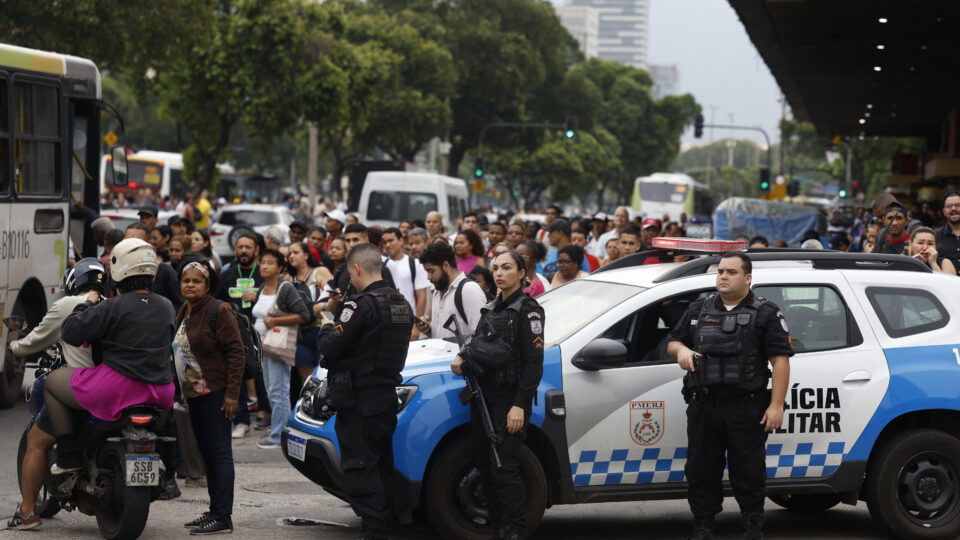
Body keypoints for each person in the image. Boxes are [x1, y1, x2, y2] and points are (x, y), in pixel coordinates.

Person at [666, 252, 793, 540]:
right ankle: (703, 527)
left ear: (748, 278)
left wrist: (776, 406)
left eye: (731, 272)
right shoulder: (699, 308)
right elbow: (673, 341)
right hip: (703, 405)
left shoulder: (766, 312)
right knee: (701, 468)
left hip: (746, 408)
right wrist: (681, 351)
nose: (723, 276)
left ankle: (753, 527)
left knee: (748, 469)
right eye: (721, 271)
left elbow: (780, 361)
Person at [45, 239, 177, 474]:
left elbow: (71, 331)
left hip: (117, 388)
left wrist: (86, 304)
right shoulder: (166, 306)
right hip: (161, 390)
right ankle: (160, 459)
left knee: (52, 382)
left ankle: (68, 456)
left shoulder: (112, 306)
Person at [316, 243, 414, 540]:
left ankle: (375, 530)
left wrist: (327, 325)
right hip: (386, 397)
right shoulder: (401, 303)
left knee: (360, 467)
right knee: (381, 463)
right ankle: (387, 521)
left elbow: (331, 347)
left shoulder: (359, 306)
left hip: (360, 399)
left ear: (356, 269)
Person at [450, 250, 544, 540]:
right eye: (495, 268)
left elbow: (533, 365)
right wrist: (463, 360)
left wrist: (519, 406)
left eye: (506, 267)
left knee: (504, 467)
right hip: (483, 397)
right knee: (485, 465)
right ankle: (497, 525)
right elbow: (478, 348)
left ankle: (514, 529)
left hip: (509, 400)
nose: (499, 273)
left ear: (521, 273)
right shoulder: (490, 309)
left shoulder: (529, 311)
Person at [7, 259, 103, 531]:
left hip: (81, 387)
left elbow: (37, 339)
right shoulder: (114, 305)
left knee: (37, 441)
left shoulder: (67, 305)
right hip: (116, 387)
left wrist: (15, 347)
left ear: (74, 283)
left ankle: (27, 513)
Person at [175, 260, 246, 535]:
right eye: (186, 280)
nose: (190, 285)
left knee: (219, 454)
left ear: (208, 285)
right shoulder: (185, 310)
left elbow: (236, 354)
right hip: (193, 396)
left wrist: (232, 395)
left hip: (216, 394)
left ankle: (223, 516)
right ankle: (214, 510)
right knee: (206, 453)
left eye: (197, 281)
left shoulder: (220, 309)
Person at [250, 249, 310, 449]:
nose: (265, 266)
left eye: (270, 263)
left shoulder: (285, 288)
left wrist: (275, 321)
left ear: (280, 268)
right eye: (263, 262)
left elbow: (303, 315)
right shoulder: (261, 288)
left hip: (278, 346)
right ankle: (279, 430)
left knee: (279, 391)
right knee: (271, 390)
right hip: (263, 347)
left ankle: (279, 436)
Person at [216, 232, 265, 439]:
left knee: (262, 376)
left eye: (248, 247)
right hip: (234, 334)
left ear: (256, 250)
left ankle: (266, 413)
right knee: (238, 376)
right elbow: (217, 301)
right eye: (240, 247)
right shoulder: (227, 274)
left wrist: (258, 295)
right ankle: (241, 420)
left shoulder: (263, 273)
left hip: (260, 333)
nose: (244, 251)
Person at [417, 243, 487, 339]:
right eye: (427, 272)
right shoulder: (437, 292)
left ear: (446, 265)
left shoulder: (469, 290)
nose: (428, 277)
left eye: (431, 271)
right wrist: (429, 330)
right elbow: (442, 335)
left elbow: (481, 336)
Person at [288, 242, 333, 383]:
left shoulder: (320, 271)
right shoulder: (289, 279)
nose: (291, 256)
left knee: (325, 377)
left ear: (306, 255)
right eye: (289, 253)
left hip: (322, 330)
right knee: (307, 380)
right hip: (300, 333)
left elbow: (334, 299)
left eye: (295, 252)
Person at [381, 227, 429, 339]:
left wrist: (416, 327)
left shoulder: (415, 264)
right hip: (387, 323)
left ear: (401, 241)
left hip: (409, 322)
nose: (387, 245)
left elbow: (422, 295)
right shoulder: (381, 264)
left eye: (391, 240)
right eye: (384, 242)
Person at [126, 223, 183, 309]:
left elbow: (180, 305)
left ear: (149, 244)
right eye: (127, 242)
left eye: (137, 242)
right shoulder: (118, 271)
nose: (131, 246)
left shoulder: (164, 271)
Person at [935, 192, 960, 273]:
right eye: (949, 206)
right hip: (946, 281)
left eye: (958, 205)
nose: (953, 208)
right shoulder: (935, 236)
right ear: (944, 211)